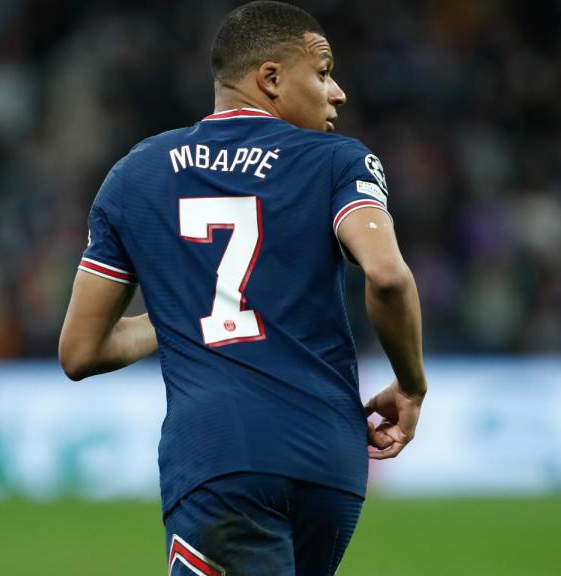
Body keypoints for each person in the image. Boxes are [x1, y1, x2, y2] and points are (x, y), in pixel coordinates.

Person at [58, 2, 427, 574]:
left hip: (220, 455)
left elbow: (81, 351)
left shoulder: (135, 174)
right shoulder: (340, 163)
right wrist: (411, 385)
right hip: (330, 458)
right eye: (324, 72)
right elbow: (386, 273)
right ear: (271, 78)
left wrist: (185, 312)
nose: (339, 93)